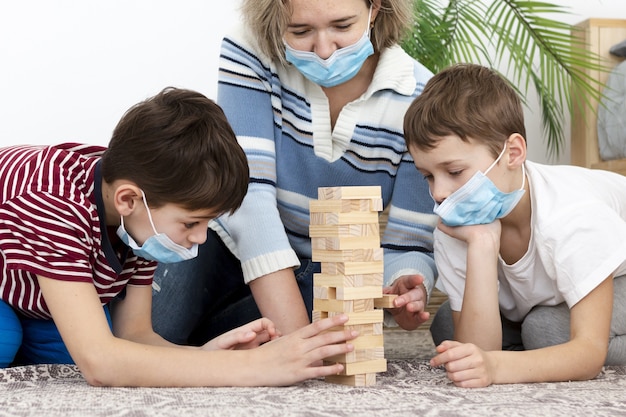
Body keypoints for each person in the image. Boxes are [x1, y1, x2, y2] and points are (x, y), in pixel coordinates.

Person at [0, 87, 359, 387]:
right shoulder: (53, 204)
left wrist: (203, 358)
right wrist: (254, 368)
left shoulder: (139, 212)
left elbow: (134, 336)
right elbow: (100, 362)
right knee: (9, 339)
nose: (201, 238)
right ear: (128, 199)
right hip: (13, 290)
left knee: (92, 356)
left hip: (33, 298)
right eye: (191, 224)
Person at [151, 0, 438, 345]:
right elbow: (248, 194)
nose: (324, 51)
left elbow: (408, 242)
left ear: (375, 8)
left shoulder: (419, 98)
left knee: (339, 300)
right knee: (154, 336)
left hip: (316, 273)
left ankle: (218, 345)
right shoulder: (250, 50)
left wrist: (405, 283)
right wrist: (297, 344)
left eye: (342, 27)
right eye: (301, 31)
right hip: (221, 246)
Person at [403, 63, 626, 388]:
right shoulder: (457, 221)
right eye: (428, 176)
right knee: (449, 330)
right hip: (546, 298)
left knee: (546, 330)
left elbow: (588, 354)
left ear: (513, 152)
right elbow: (475, 351)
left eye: (454, 172)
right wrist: (481, 244)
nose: (439, 193)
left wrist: (497, 367)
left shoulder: (573, 214)